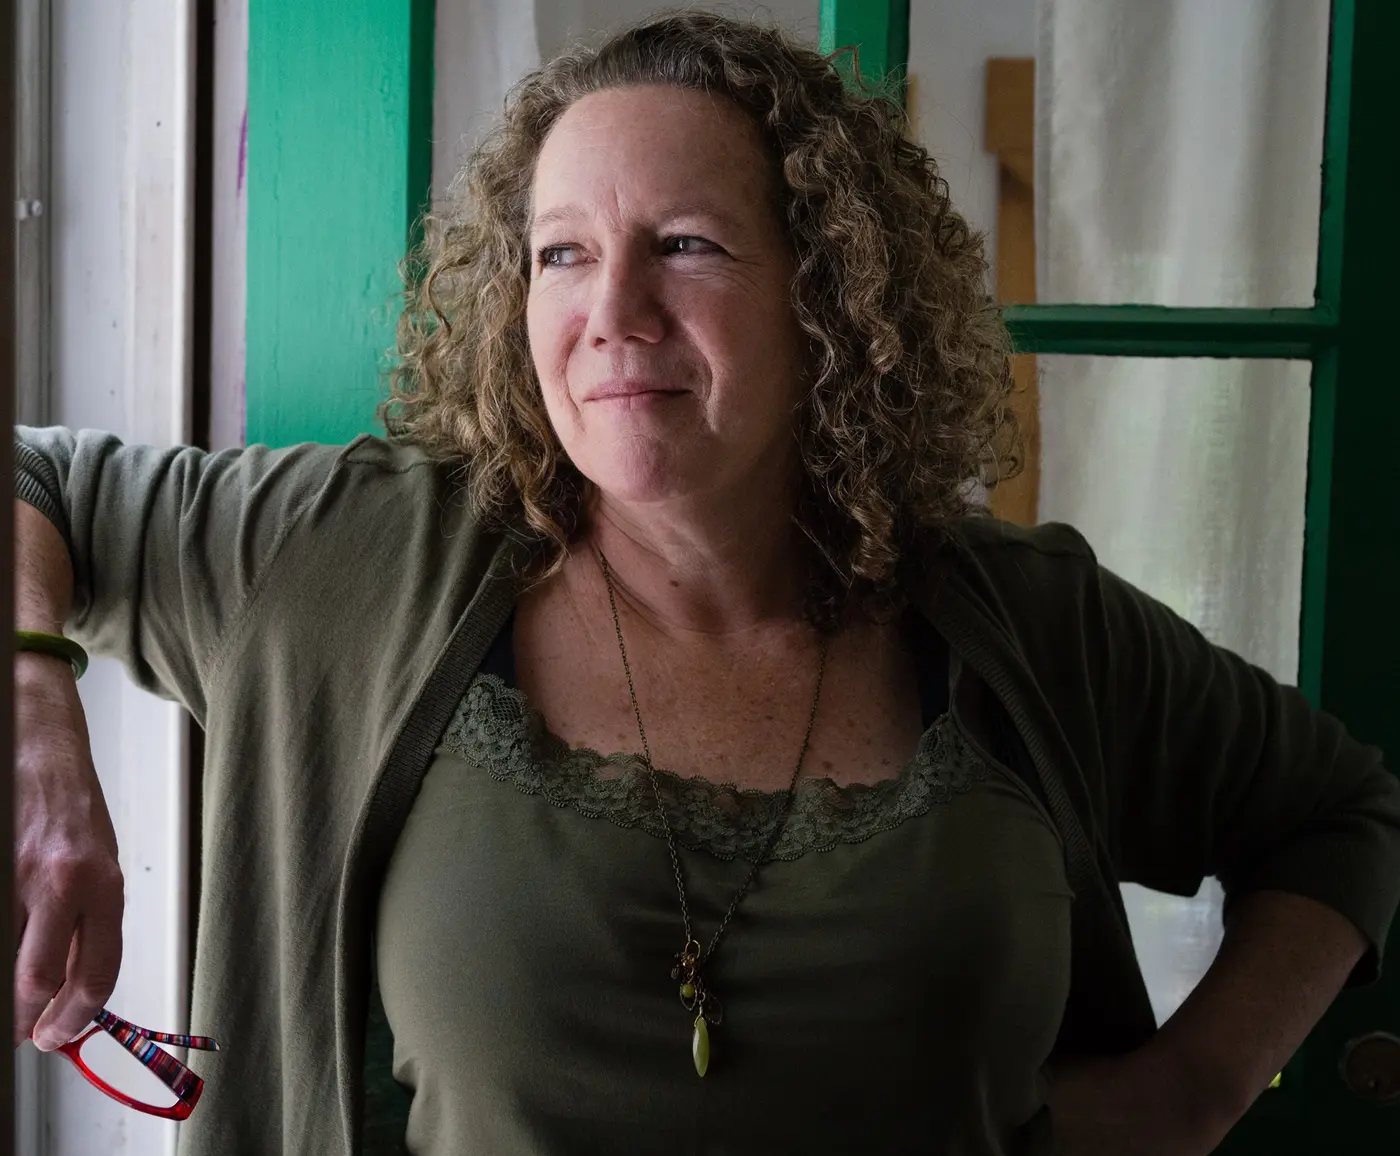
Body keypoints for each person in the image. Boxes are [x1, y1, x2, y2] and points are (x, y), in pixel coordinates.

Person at [13, 13, 1400, 1156]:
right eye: (561, 253)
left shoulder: (1021, 622)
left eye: (683, 243)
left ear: (829, 296)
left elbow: (1339, 814)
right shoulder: (352, 555)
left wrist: (1191, 1090)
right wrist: (38, 713)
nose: (610, 308)